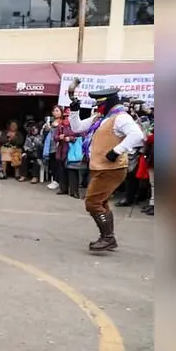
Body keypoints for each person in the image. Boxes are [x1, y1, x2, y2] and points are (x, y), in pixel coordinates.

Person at [68, 87, 146, 252]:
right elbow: (77, 128)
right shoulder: (101, 118)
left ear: (109, 101)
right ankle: (108, 237)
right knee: (101, 201)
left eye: (100, 103)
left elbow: (137, 135)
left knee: (92, 202)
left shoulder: (120, 117)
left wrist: (117, 150)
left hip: (112, 168)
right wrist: (74, 110)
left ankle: (107, 238)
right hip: (99, 166)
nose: (97, 106)